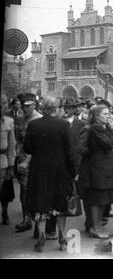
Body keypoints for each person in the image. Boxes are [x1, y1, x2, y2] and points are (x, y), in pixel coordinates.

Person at [23, 96, 76, 252]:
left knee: (41, 203)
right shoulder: (64, 124)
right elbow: (69, 151)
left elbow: (27, 148)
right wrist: (73, 172)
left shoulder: (33, 124)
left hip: (39, 170)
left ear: (42, 108)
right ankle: (62, 237)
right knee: (59, 203)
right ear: (57, 108)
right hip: (60, 171)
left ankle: (41, 236)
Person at [80, 104, 113, 239]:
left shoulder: (103, 127)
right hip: (98, 168)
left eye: (109, 113)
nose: (109, 116)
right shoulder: (96, 128)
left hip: (104, 168)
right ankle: (95, 227)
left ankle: (98, 226)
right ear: (97, 116)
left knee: (102, 199)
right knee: (97, 199)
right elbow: (110, 144)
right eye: (105, 114)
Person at [14, 93, 42, 233]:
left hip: (36, 161)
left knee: (37, 191)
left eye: (27, 106)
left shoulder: (39, 120)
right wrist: (18, 155)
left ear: (34, 105)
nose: (25, 109)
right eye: (23, 106)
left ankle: (38, 222)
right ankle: (26, 219)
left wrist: (26, 160)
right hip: (23, 159)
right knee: (24, 191)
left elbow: (40, 146)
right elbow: (19, 140)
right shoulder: (20, 120)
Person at [1, 94, 16, 225]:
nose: (7, 105)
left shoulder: (9, 122)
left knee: (4, 191)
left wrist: (11, 166)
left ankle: (4, 212)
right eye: (4, 103)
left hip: (3, 161)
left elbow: (11, 146)